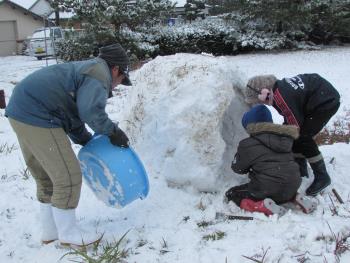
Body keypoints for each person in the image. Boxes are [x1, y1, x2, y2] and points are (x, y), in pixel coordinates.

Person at [5, 43, 131, 247]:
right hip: (39, 115)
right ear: (116, 69)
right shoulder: (99, 75)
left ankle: (50, 231)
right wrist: (113, 132)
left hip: (21, 110)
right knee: (68, 176)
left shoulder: (87, 70)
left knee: (47, 178)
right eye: (121, 80)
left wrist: (86, 141)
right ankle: (68, 233)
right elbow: (90, 112)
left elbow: (73, 114)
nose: (117, 85)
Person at [244, 74, 340, 196]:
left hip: (325, 101)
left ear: (264, 93)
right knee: (296, 137)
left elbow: (294, 128)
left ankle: (322, 176)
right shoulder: (277, 88)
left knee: (303, 137)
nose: (260, 104)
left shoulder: (281, 99)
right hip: (317, 93)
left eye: (258, 101)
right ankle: (301, 168)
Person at [225, 105, 316, 216]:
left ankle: (261, 205)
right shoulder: (285, 139)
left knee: (232, 193)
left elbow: (238, 168)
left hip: (266, 189)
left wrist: (239, 157)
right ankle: (295, 197)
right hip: (292, 185)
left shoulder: (247, 144)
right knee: (282, 187)